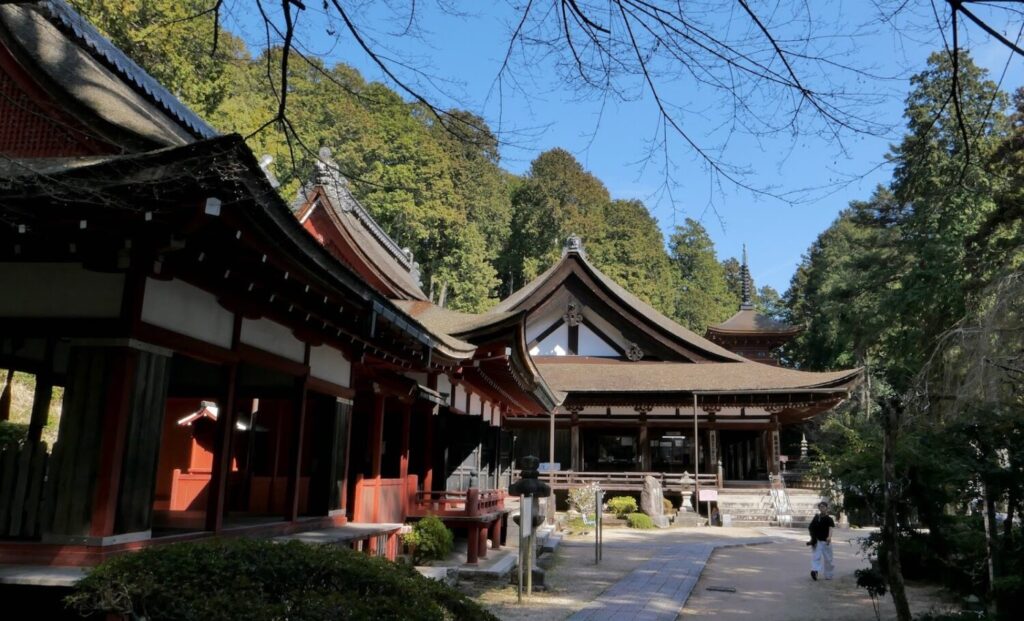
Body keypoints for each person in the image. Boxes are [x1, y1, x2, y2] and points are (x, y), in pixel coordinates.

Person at [808, 501, 835, 581]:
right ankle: (814, 571)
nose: (821, 508)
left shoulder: (829, 519)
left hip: (826, 541)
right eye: (820, 506)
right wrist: (812, 538)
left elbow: (830, 528)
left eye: (823, 506)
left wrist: (829, 537)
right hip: (817, 541)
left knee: (828, 559)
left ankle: (828, 575)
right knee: (816, 557)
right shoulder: (816, 518)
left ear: (826, 508)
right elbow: (811, 527)